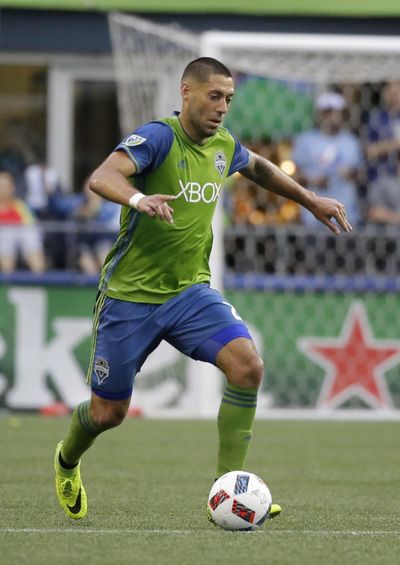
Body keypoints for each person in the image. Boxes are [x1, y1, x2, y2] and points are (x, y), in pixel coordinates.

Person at [53, 57, 351, 521]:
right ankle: (67, 461)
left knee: (247, 367)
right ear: (186, 92)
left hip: (189, 292)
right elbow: (101, 176)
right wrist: (139, 197)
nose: (222, 108)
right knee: (108, 412)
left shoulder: (223, 145)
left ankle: (228, 490)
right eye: (214, 96)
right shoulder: (157, 137)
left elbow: (259, 168)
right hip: (130, 296)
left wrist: (310, 200)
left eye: (229, 99)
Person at [292, 91, 363, 228]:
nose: (329, 117)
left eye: (332, 112)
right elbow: (294, 176)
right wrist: (312, 180)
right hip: (312, 216)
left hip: (347, 215)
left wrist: (350, 174)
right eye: (325, 112)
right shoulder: (305, 140)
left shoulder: (351, 141)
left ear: (342, 114)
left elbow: (361, 174)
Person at [0, 169, 46, 273]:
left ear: (12, 188)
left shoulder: (20, 206)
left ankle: (39, 280)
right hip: (3, 236)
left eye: (6, 186)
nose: (3, 190)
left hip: (20, 233)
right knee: (4, 241)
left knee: (31, 237)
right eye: (1, 187)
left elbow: (30, 225)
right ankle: (7, 283)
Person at [363, 81, 400, 183]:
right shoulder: (377, 118)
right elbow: (369, 150)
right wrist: (394, 144)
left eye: (397, 94)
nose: (395, 98)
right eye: (392, 94)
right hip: (379, 177)